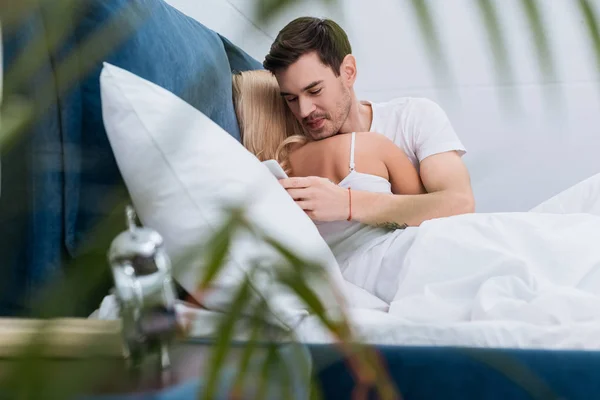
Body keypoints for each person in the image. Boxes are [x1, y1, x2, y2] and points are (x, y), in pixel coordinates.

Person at [262, 16, 475, 229]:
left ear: (348, 72)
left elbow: (460, 204)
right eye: (291, 98)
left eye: (315, 90)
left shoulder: (413, 117)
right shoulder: (298, 152)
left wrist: (348, 204)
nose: (304, 110)